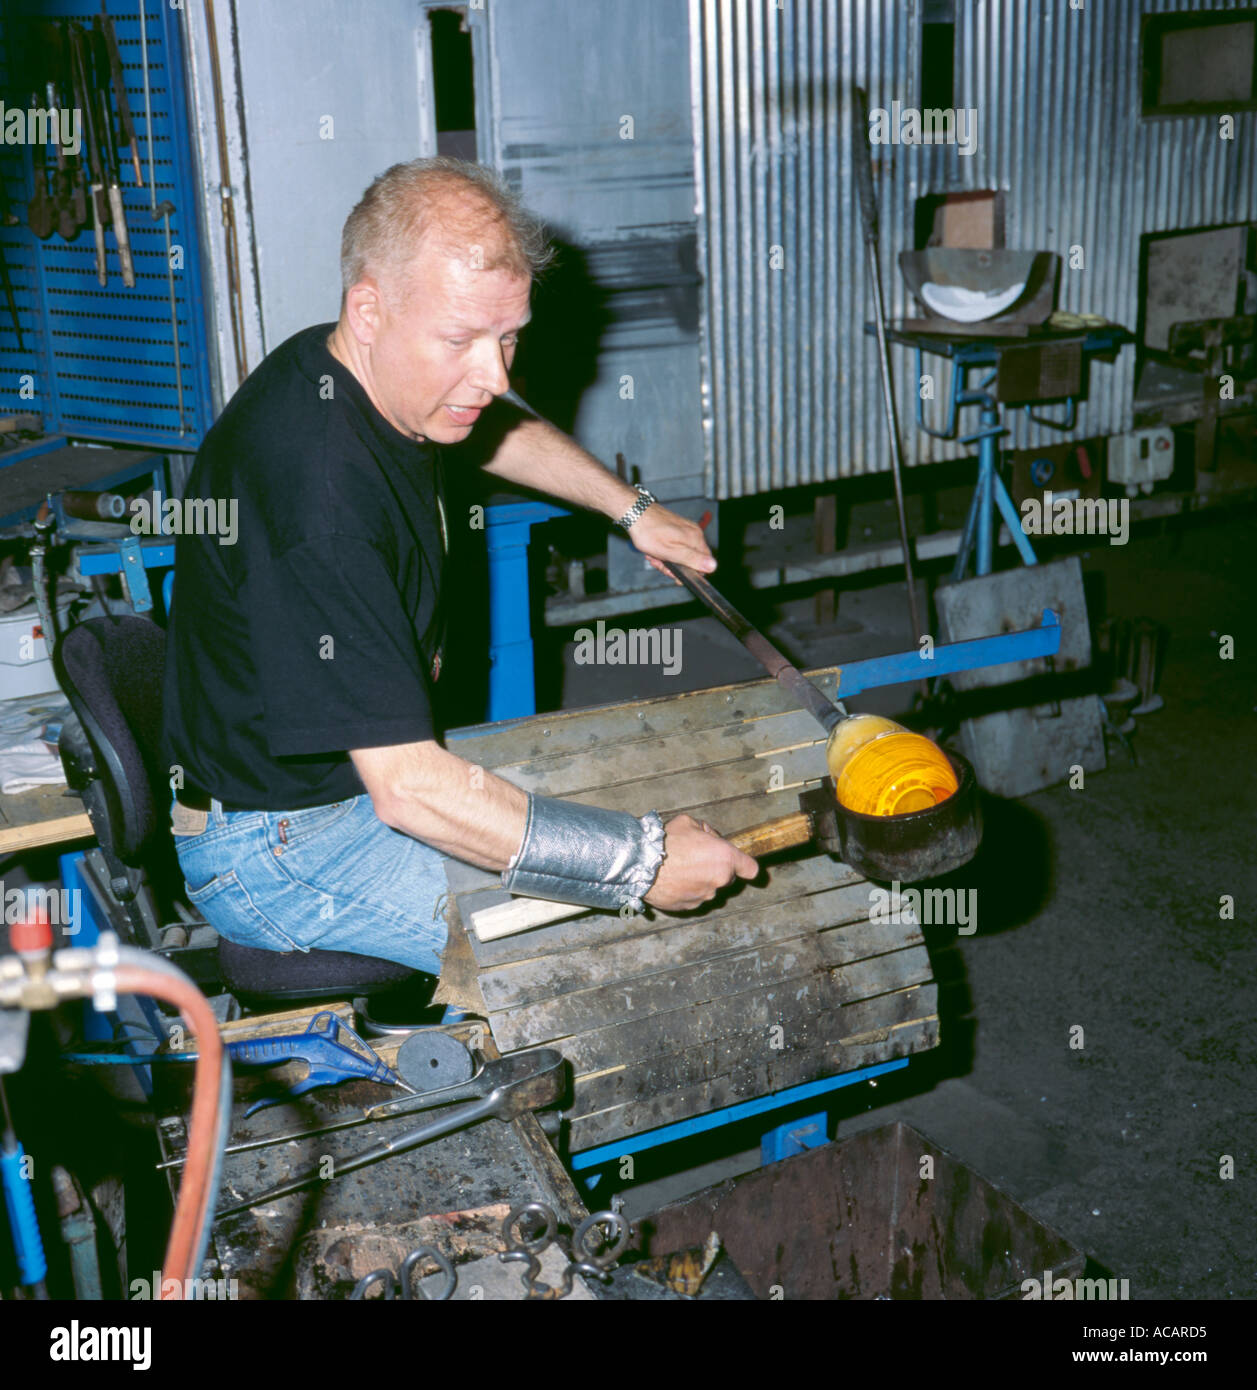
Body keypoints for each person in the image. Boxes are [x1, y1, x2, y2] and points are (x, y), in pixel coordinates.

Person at [161, 157, 756, 976]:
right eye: (460, 339)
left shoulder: (347, 368)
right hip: (282, 852)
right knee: (615, 943)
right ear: (368, 307)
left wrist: (630, 510)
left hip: (338, 790)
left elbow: (487, 423)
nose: (495, 374)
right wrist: (638, 866)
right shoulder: (319, 504)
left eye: (507, 336)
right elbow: (408, 788)